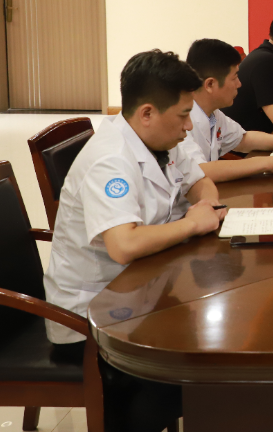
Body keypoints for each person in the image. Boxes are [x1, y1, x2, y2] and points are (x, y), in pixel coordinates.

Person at [43, 50, 227, 432]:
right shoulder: (110, 160)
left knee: (215, 343)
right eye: (183, 116)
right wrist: (192, 224)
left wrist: (205, 205)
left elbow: (200, 182)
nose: (189, 127)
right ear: (147, 113)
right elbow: (123, 246)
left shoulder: (161, 139)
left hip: (142, 290)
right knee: (206, 373)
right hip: (92, 319)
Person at [183, 38, 273, 182]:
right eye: (234, 78)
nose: (239, 84)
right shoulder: (181, 120)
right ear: (210, 84)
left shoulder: (213, 113)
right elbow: (202, 170)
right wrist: (269, 163)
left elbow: (243, 139)